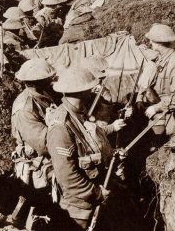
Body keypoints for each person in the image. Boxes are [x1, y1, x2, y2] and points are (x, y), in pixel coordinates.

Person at [46, 66, 129, 230]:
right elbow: (67, 176)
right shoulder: (61, 126)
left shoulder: (79, 114)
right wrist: (96, 193)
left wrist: (112, 154)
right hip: (80, 207)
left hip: (96, 192)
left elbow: (92, 142)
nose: (93, 91)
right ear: (82, 92)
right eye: (90, 88)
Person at [136, 23, 175, 147]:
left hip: (167, 113)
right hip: (154, 109)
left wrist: (156, 108)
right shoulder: (158, 60)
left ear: (158, 43)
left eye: (152, 42)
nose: (150, 44)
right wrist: (140, 99)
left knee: (157, 145)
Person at [11, 58, 57, 188]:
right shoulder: (26, 108)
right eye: (47, 78)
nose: (51, 80)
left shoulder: (42, 94)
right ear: (38, 82)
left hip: (50, 152)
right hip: (38, 163)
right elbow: (44, 145)